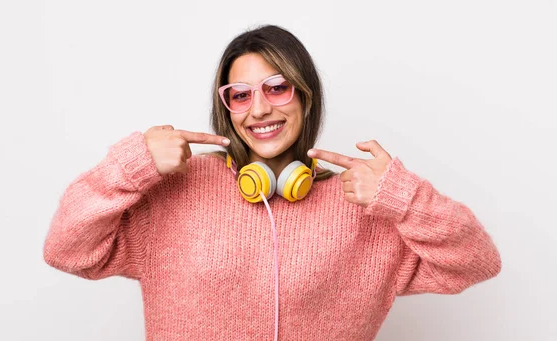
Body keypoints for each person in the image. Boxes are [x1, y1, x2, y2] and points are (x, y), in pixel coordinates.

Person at [43, 24, 501, 341]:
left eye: (277, 87)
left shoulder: (365, 205)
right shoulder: (173, 191)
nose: (259, 109)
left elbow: (476, 262)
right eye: (240, 95)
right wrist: (131, 165)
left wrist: (403, 198)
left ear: (305, 94)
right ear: (227, 109)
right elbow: (66, 250)